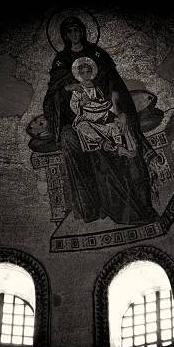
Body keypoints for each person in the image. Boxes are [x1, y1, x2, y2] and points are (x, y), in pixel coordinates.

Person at [43, 16, 158, 225]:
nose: (75, 35)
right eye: (70, 32)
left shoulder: (97, 55)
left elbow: (115, 86)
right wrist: (67, 89)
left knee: (130, 142)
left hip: (109, 114)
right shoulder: (61, 61)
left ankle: (143, 205)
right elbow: (54, 95)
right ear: (65, 36)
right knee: (83, 143)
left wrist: (121, 111)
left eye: (77, 30)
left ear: (83, 32)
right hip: (82, 121)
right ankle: (96, 207)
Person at [69, 57, 136, 157]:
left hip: (103, 112)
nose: (86, 75)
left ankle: (120, 147)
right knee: (82, 125)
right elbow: (73, 105)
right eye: (83, 73)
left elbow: (107, 99)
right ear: (79, 74)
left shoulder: (98, 85)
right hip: (88, 115)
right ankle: (102, 142)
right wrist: (82, 103)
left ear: (92, 72)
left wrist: (115, 109)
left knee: (115, 124)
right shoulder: (78, 89)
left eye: (88, 72)